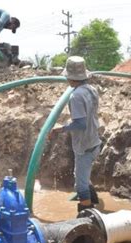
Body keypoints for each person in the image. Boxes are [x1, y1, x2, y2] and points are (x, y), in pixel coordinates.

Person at [51, 56, 102, 213]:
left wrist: (60, 129)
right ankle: (94, 200)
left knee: (80, 185)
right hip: (94, 141)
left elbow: (80, 123)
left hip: (85, 145)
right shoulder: (91, 90)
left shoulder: (76, 96)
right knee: (82, 175)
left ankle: (87, 216)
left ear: (69, 76)